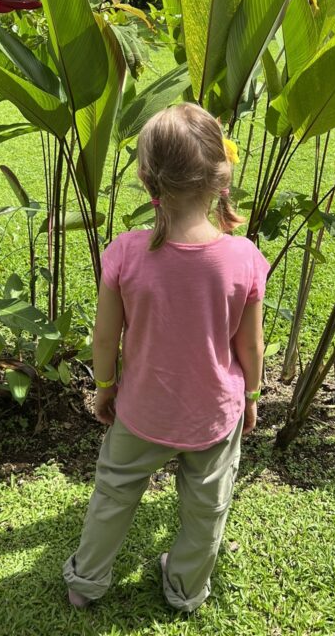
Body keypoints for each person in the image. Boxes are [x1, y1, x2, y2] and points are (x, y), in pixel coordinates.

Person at [63, 103, 269, 613]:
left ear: (147, 179)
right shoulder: (244, 258)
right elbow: (251, 347)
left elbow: (105, 337)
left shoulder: (126, 253)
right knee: (207, 510)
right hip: (214, 414)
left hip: (141, 410)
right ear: (221, 176)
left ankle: (85, 583)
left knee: (113, 495)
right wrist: (253, 395)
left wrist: (105, 387)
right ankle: (185, 590)